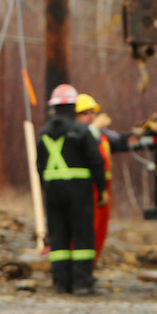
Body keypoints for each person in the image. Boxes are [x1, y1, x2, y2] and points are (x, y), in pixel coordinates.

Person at [37, 84, 108, 295]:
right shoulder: (81, 130)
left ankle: (61, 283)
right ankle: (83, 283)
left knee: (58, 235)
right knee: (83, 235)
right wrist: (101, 188)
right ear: (73, 106)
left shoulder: (44, 132)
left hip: (53, 191)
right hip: (79, 191)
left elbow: (39, 165)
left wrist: (46, 187)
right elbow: (96, 161)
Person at [74, 93, 116, 265]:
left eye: (92, 112)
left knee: (99, 230)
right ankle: (81, 268)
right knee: (85, 230)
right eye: (85, 113)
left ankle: (90, 266)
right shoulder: (78, 135)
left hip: (101, 189)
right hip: (85, 189)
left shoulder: (101, 136)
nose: (91, 117)